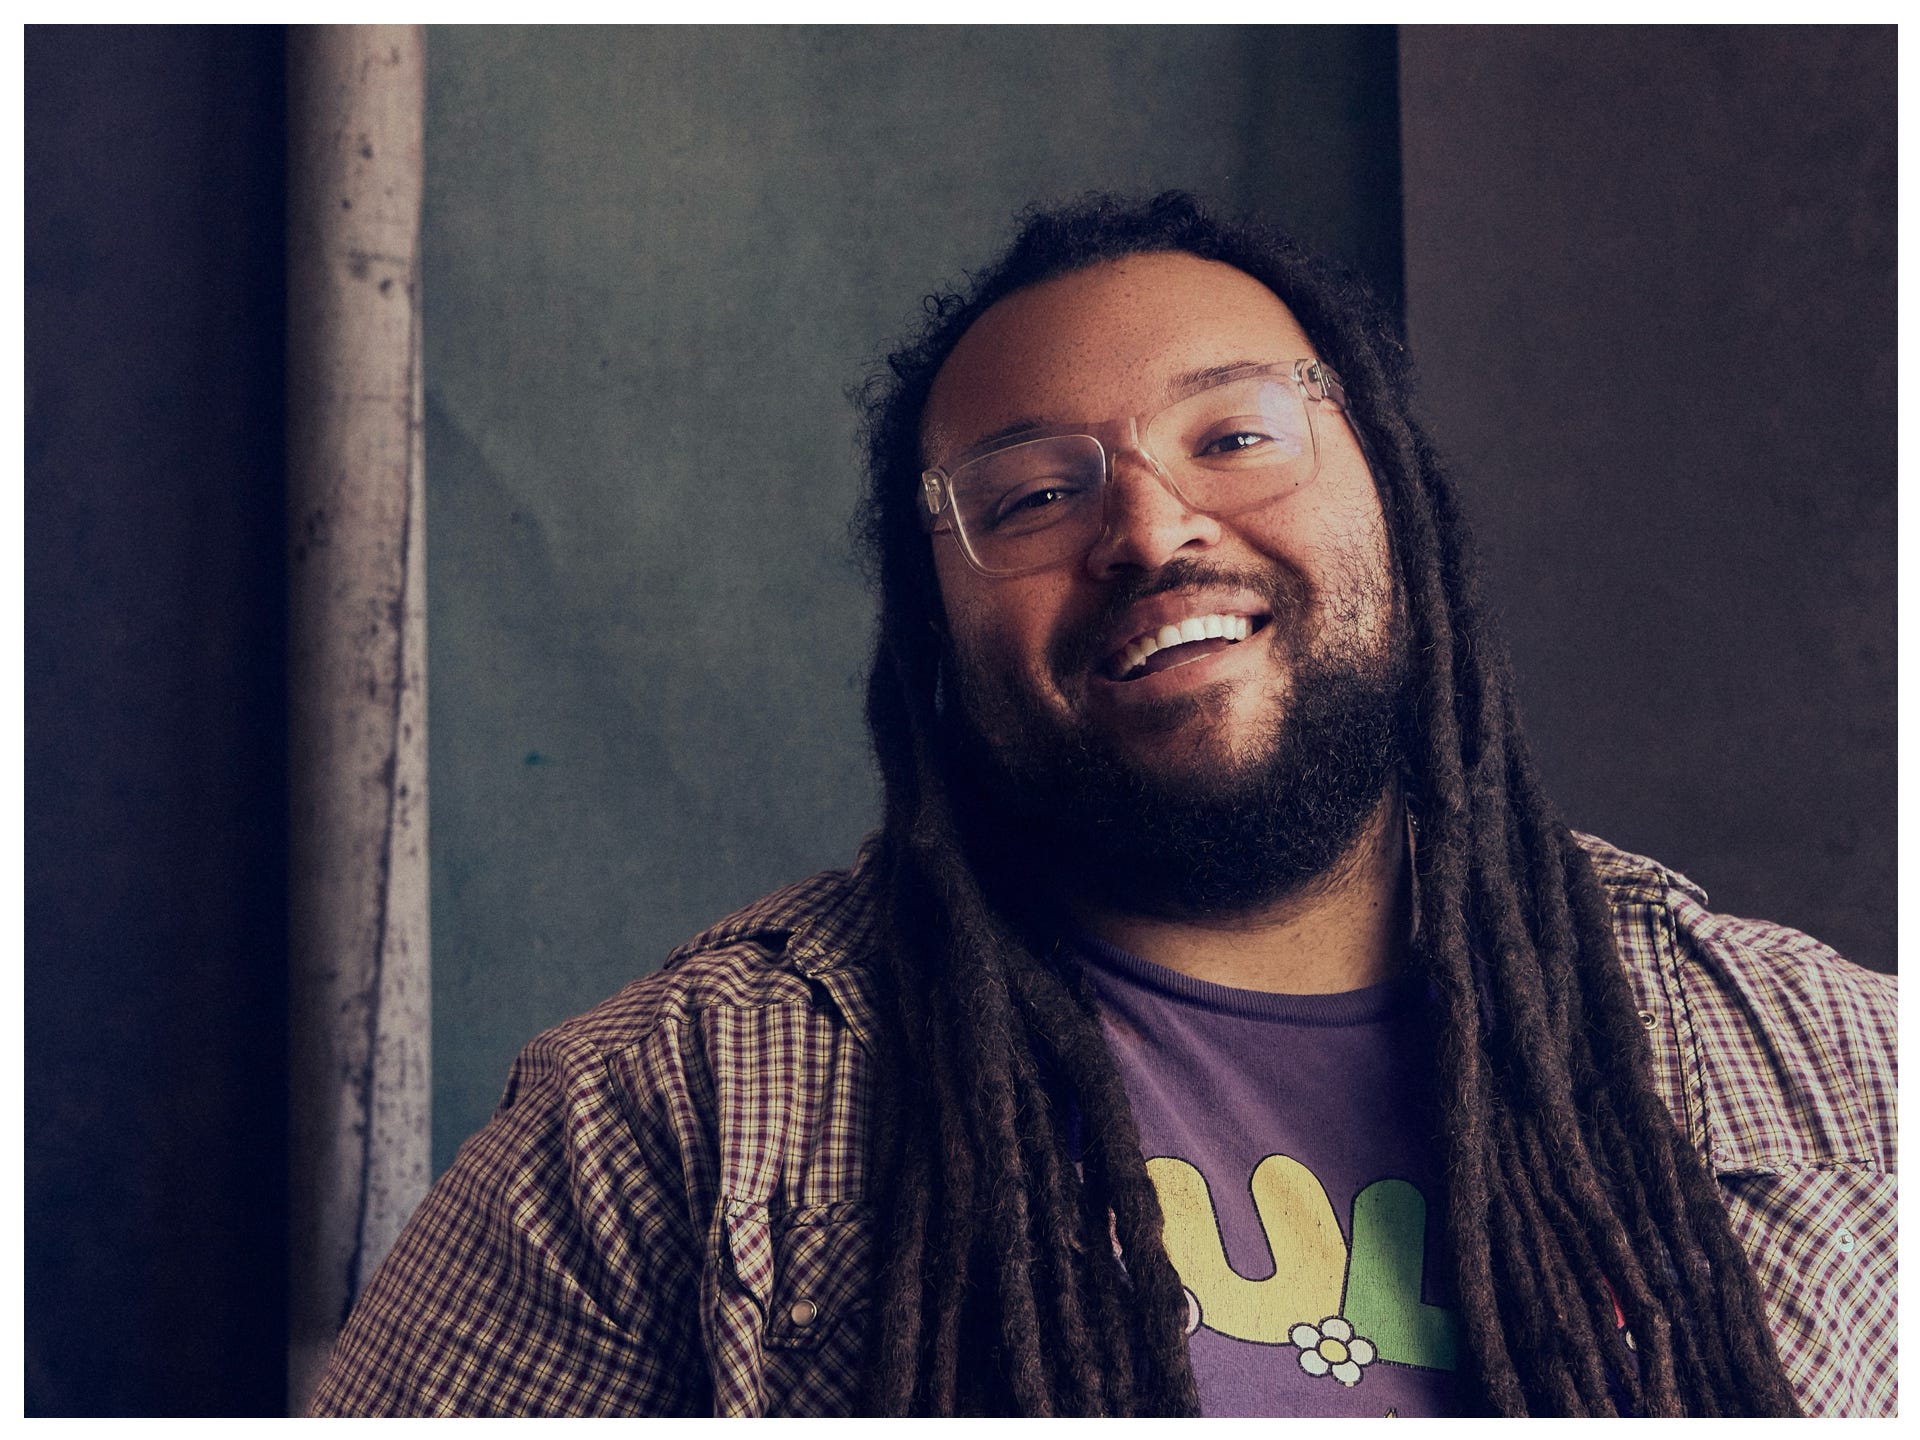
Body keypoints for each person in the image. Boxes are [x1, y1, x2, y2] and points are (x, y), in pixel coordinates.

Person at [310, 193, 1895, 1418]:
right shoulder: (672, 1118)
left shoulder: (1842, 1072)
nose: (1151, 525)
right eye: (1034, 496)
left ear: (1396, 502)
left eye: (1236, 434)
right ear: (936, 634)